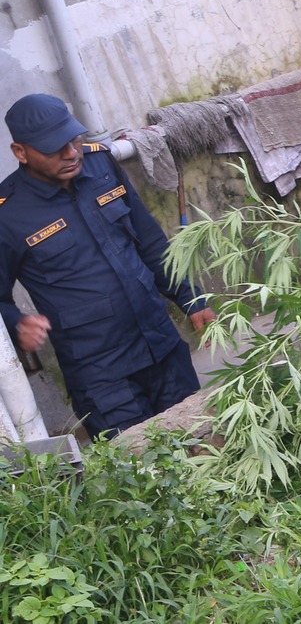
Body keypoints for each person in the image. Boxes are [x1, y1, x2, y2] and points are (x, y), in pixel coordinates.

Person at [0, 94, 214, 437]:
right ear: (21, 153)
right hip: (102, 377)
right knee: (142, 474)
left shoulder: (100, 165)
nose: (71, 153)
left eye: (73, 139)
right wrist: (16, 323)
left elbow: (150, 241)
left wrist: (191, 299)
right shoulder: (8, 214)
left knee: (202, 443)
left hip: (161, 344)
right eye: (54, 148)